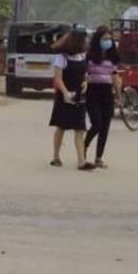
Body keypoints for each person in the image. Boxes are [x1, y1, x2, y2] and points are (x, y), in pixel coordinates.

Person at [48, 29, 90, 169]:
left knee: (80, 128)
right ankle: (56, 156)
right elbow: (58, 79)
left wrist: (85, 83)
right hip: (64, 96)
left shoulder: (83, 56)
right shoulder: (62, 58)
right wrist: (65, 92)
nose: (86, 42)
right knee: (61, 127)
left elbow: (85, 74)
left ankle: (81, 161)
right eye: (84, 40)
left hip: (79, 96)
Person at [83, 26, 124, 170]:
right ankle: (83, 148)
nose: (108, 41)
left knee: (105, 127)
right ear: (97, 40)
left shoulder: (113, 57)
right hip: (92, 92)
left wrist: (118, 97)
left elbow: (115, 78)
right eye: (104, 39)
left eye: (109, 39)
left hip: (107, 93)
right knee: (97, 123)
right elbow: (83, 74)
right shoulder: (89, 55)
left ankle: (98, 157)